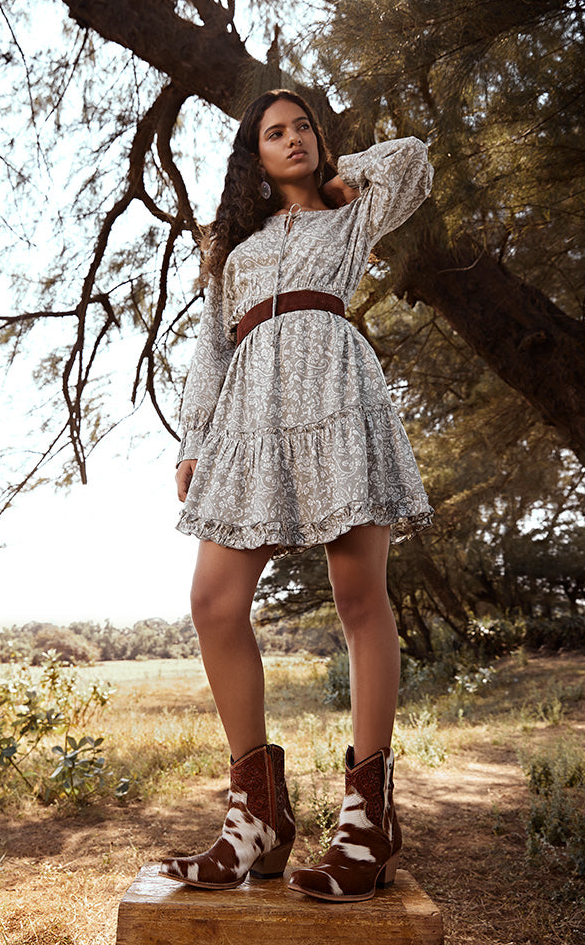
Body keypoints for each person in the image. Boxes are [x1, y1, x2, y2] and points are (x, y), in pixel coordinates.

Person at [159, 89, 434, 903]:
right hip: (249, 411)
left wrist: (344, 176)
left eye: (303, 127)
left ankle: (367, 822)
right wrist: (194, 440)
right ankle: (257, 819)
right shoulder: (233, 248)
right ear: (254, 154)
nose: (293, 139)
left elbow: (415, 160)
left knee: (358, 597)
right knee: (213, 602)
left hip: (338, 396)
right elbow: (210, 348)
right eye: (274, 133)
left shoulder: (349, 215)